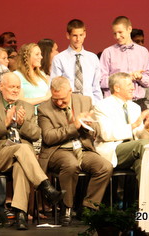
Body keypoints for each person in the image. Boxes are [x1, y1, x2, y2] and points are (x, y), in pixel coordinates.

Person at [0, 72, 63, 230]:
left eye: (18, 87)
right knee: (23, 148)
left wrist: (22, 124)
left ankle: (20, 216)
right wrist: (5, 122)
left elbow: (36, 135)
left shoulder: (28, 107)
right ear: (1, 87)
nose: (15, 90)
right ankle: (45, 186)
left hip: (22, 158)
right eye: (11, 87)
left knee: (21, 167)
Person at [37, 76, 112, 224]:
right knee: (71, 164)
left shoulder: (85, 101)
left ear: (70, 91)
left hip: (82, 148)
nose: (59, 102)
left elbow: (96, 128)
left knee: (105, 167)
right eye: (55, 99)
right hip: (57, 150)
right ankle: (67, 207)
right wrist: (74, 126)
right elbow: (49, 137)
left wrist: (87, 125)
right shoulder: (44, 109)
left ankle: (88, 208)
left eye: (63, 99)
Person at [94, 72, 149, 182]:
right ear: (117, 88)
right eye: (129, 85)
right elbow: (106, 134)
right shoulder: (102, 106)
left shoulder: (135, 107)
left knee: (141, 163)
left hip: (133, 150)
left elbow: (140, 137)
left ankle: (145, 198)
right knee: (144, 146)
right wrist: (133, 125)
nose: (133, 88)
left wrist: (146, 127)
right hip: (113, 149)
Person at [99, 16, 149, 110]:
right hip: (115, 105)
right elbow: (101, 81)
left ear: (129, 29)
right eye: (114, 33)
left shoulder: (143, 52)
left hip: (138, 103)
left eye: (120, 32)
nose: (117, 37)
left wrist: (140, 77)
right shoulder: (108, 53)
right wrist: (123, 79)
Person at [51, 19, 103, 104]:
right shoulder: (59, 59)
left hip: (90, 104)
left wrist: (98, 105)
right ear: (68, 35)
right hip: (68, 104)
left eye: (81, 35)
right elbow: (55, 85)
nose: (78, 39)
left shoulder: (93, 58)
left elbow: (96, 87)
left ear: (85, 34)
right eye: (75, 35)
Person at [131, 28, 149, 111]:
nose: (141, 44)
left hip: (146, 104)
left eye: (142, 41)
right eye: (137, 41)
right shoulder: (124, 62)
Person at [13, 43, 50, 109]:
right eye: (37, 54)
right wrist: (44, 98)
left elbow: (49, 95)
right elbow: (19, 100)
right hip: (29, 114)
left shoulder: (42, 75)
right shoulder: (17, 75)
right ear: (27, 57)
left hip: (45, 114)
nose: (41, 57)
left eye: (40, 54)